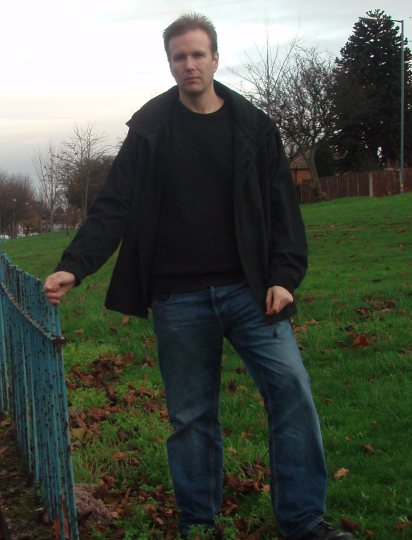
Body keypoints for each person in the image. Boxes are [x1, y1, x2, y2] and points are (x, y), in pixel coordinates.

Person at [43, 12, 355, 540]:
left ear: (215, 58)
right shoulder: (150, 128)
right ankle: (198, 524)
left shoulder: (254, 128)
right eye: (178, 57)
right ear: (170, 64)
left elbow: (284, 211)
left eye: (197, 54)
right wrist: (74, 265)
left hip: (252, 292)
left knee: (292, 393)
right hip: (177, 298)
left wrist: (284, 276)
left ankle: (303, 522)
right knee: (190, 419)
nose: (189, 65)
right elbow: (114, 204)